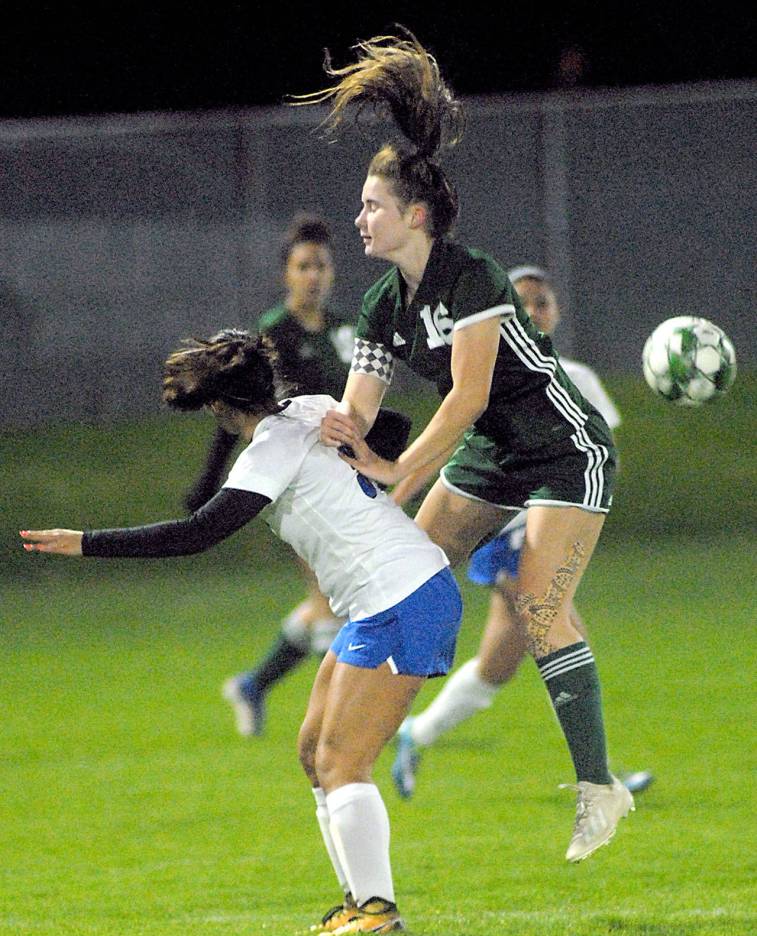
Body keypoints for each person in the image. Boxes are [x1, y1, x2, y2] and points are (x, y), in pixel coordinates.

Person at [299, 30, 634, 862]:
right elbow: (359, 417)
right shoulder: (380, 305)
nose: (358, 218)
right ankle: (363, 735)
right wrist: (322, 438)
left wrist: (399, 477)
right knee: (402, 573)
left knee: (538, 601)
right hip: (488, 455)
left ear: (413, 215)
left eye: (370, 205)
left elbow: (468, 395)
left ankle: (601, 788)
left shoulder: (473, 278)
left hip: (561, 448)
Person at [21, 328, 462, 936]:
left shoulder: (268, 451)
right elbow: (396, 421)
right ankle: (356, 903)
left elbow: (194, 534)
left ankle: (378, 913)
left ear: (222, 408)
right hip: (380, 601)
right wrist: (365, 457)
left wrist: (84, 543)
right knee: (314, 753)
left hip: (404, 595)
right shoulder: (310, 411)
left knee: (342, 761)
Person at [390, 265, 654, 799]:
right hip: (503, 532)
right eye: (523, 303)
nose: (535, 312)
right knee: (557, 626)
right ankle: (598, 774)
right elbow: (461, 445)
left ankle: (415, 734)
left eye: (543, 302)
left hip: (547, 532)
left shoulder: (578, 378)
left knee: (497, 666)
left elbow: (602, 461)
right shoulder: (489, 374)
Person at [183, 214, 355, 737]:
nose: (314, 275)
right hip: (292, 487)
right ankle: (339, 730)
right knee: (332, 602)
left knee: (329, 602)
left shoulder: (345, 333)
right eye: (303, 266)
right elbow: (234, 415)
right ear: (287, 273)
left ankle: (254, 685)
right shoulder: (270, 336)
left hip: (342, 482)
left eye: (321, 265)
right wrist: (209, 481)